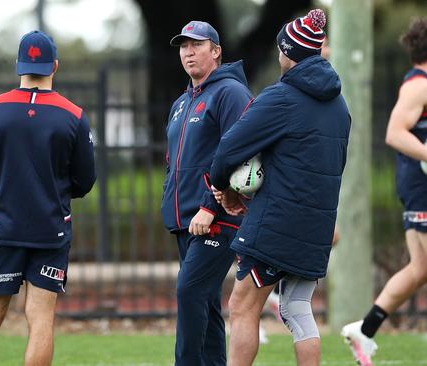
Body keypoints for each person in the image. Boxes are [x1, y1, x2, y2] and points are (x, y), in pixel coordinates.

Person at [209, 9, 351, 365]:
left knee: (242, 306)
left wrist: (224, 188)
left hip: (276, 225)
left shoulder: (280, 97)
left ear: (288, 52)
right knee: (298, 309)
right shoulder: (340, 106)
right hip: (316, 226)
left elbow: (228, 149)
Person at [0, 30, 96, 366]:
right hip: (51, 230)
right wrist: (57, 188)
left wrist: (4, 183)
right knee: (40, 319)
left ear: (18, 65)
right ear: (55, 65)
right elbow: (85, 180)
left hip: (3, 229)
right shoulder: (74, 115)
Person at [161, 21, 252, 365]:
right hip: (185, 220)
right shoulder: (182, 102)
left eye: (196, 45)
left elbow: (239, 151)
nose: (188, 52)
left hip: (218, 217)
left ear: (216, 51)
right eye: (183, 46)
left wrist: (208, 206)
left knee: (189, 291)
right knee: (207, 303)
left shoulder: (230, 92)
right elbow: (173, 162)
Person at [341, 17, 427, 366]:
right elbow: (394, 133)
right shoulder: (419, 85)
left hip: (415, 186)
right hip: (420, 187)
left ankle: (365, 328)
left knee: (420, 270)